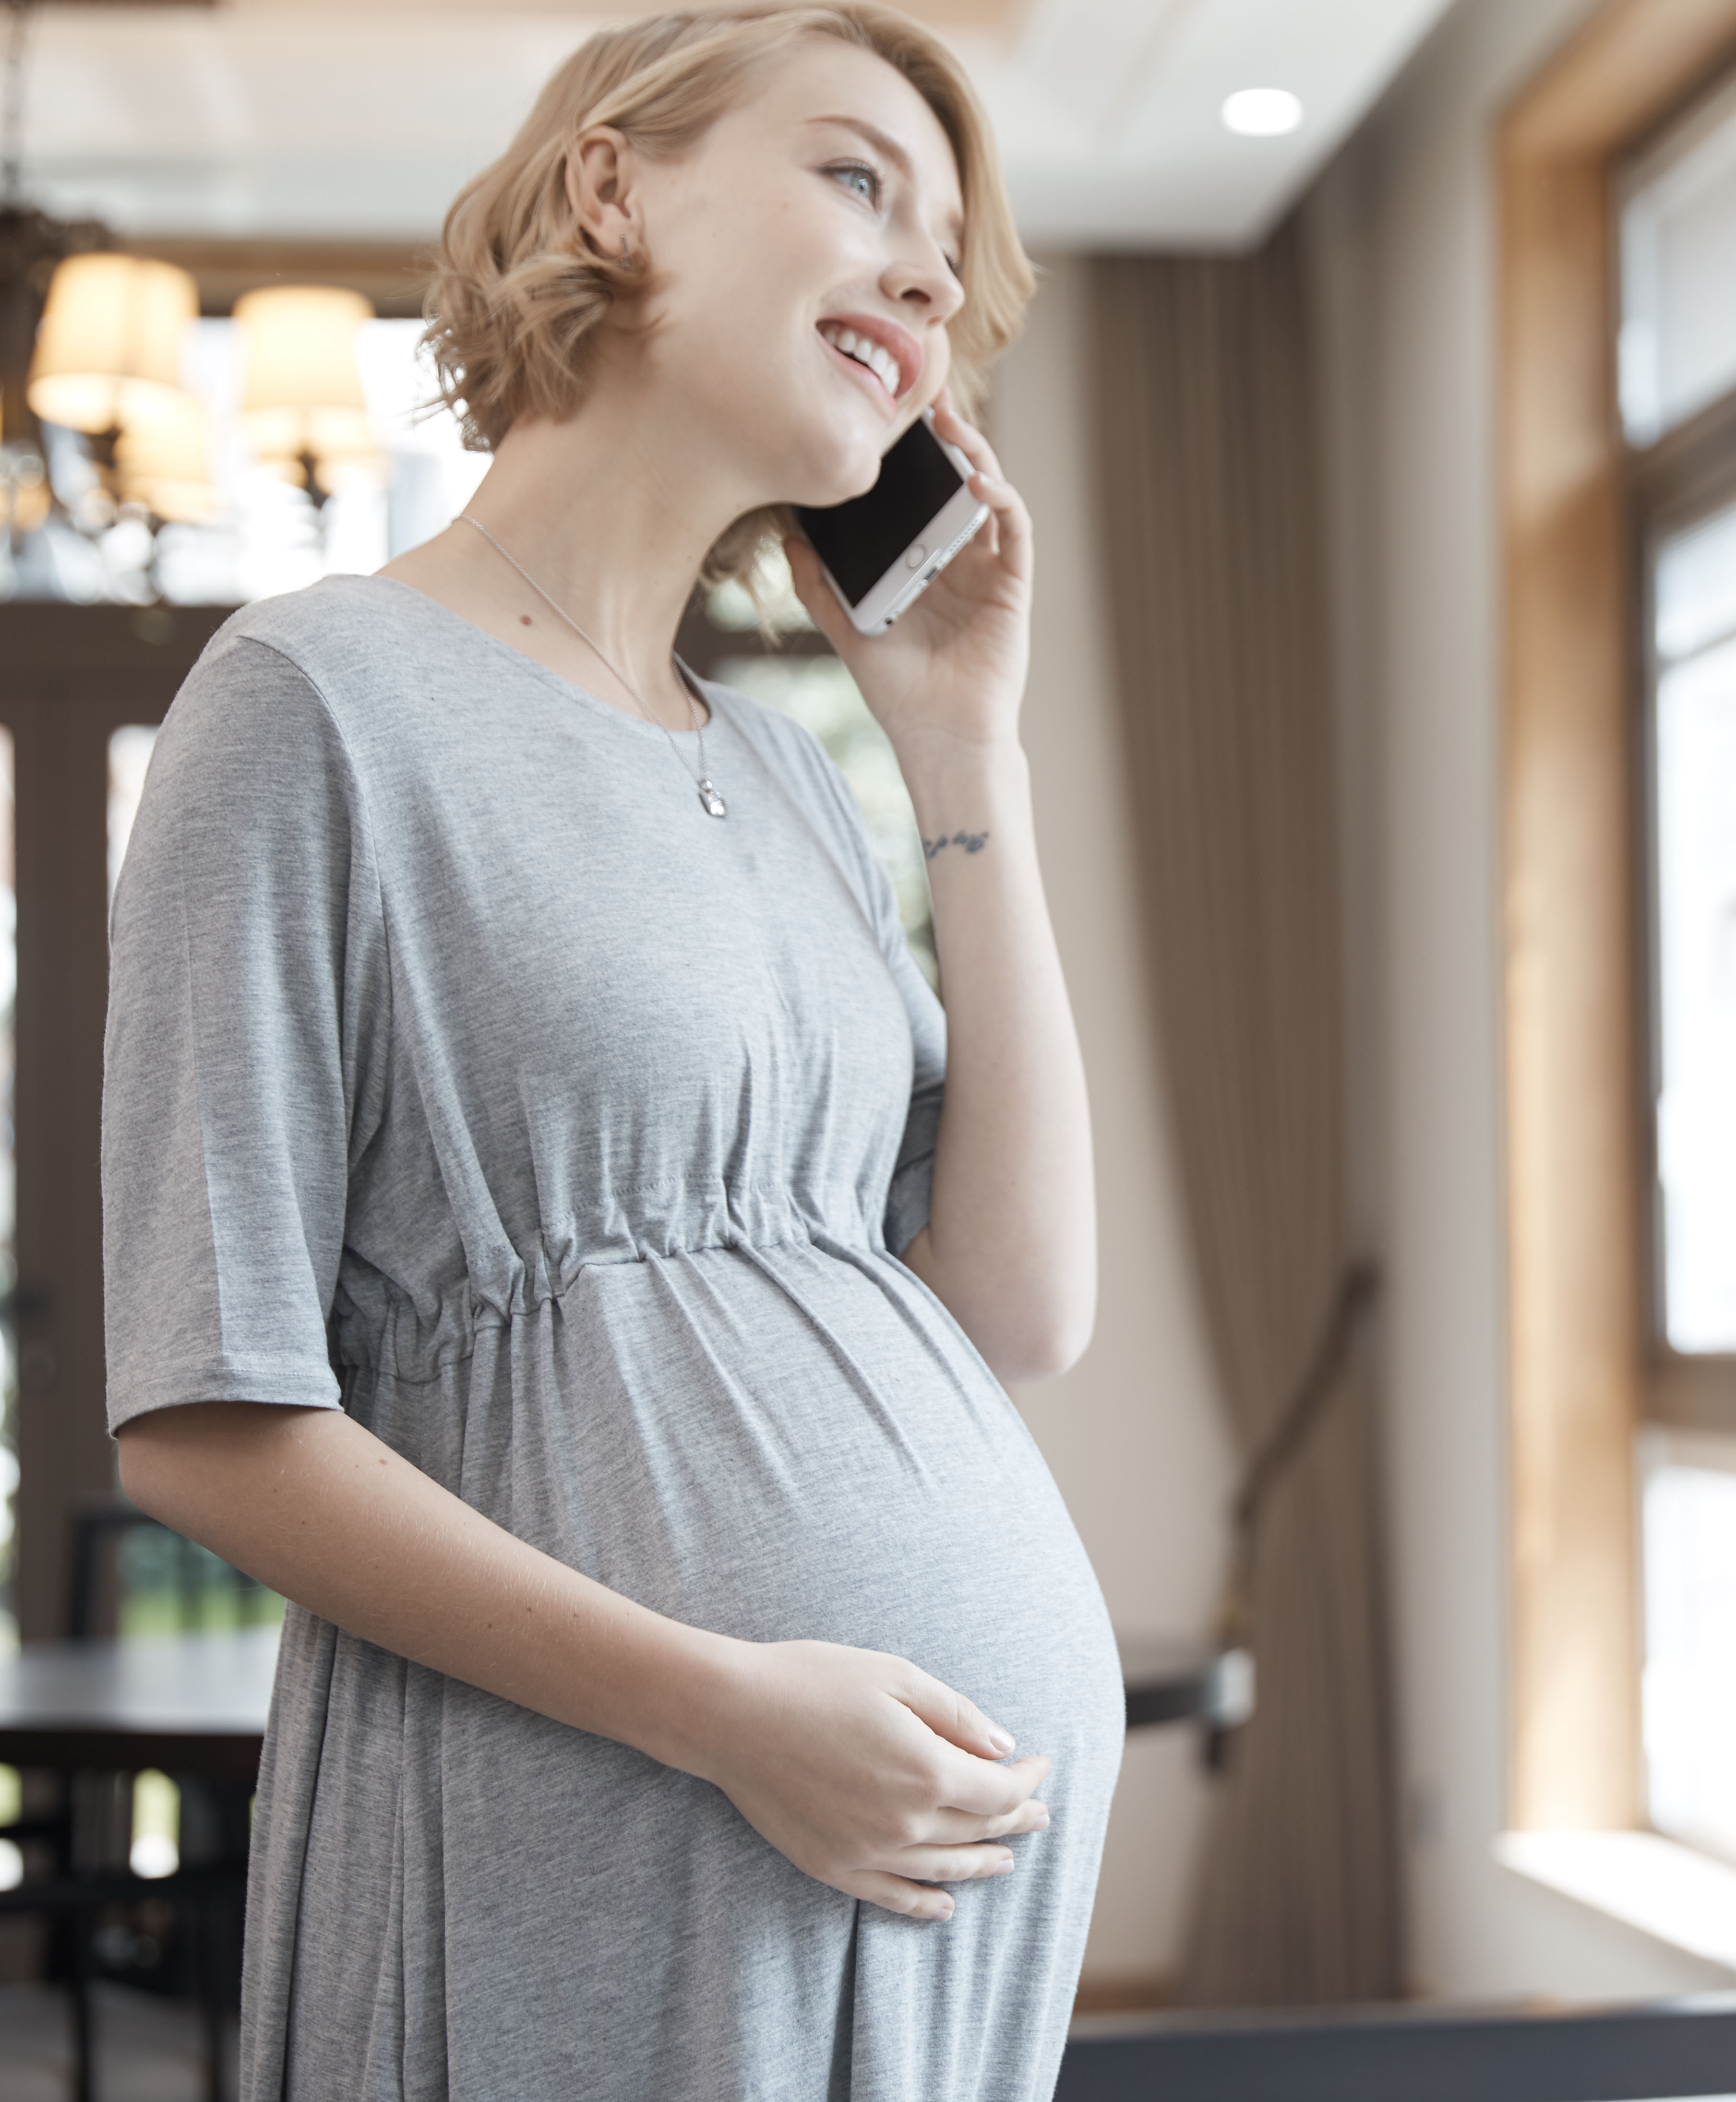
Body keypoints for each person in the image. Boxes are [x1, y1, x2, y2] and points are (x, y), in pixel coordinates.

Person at [101, 8, 1118, 2095]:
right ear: (610, 189)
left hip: (914, 1912)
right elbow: (202, 1422)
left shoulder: (789, 767)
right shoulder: (310, 701)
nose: (928, 275)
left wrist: (960, 748)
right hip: (593, 1833)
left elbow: (1016, 1305)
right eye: (856, 180)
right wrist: (721, 1709)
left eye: (946, 247)